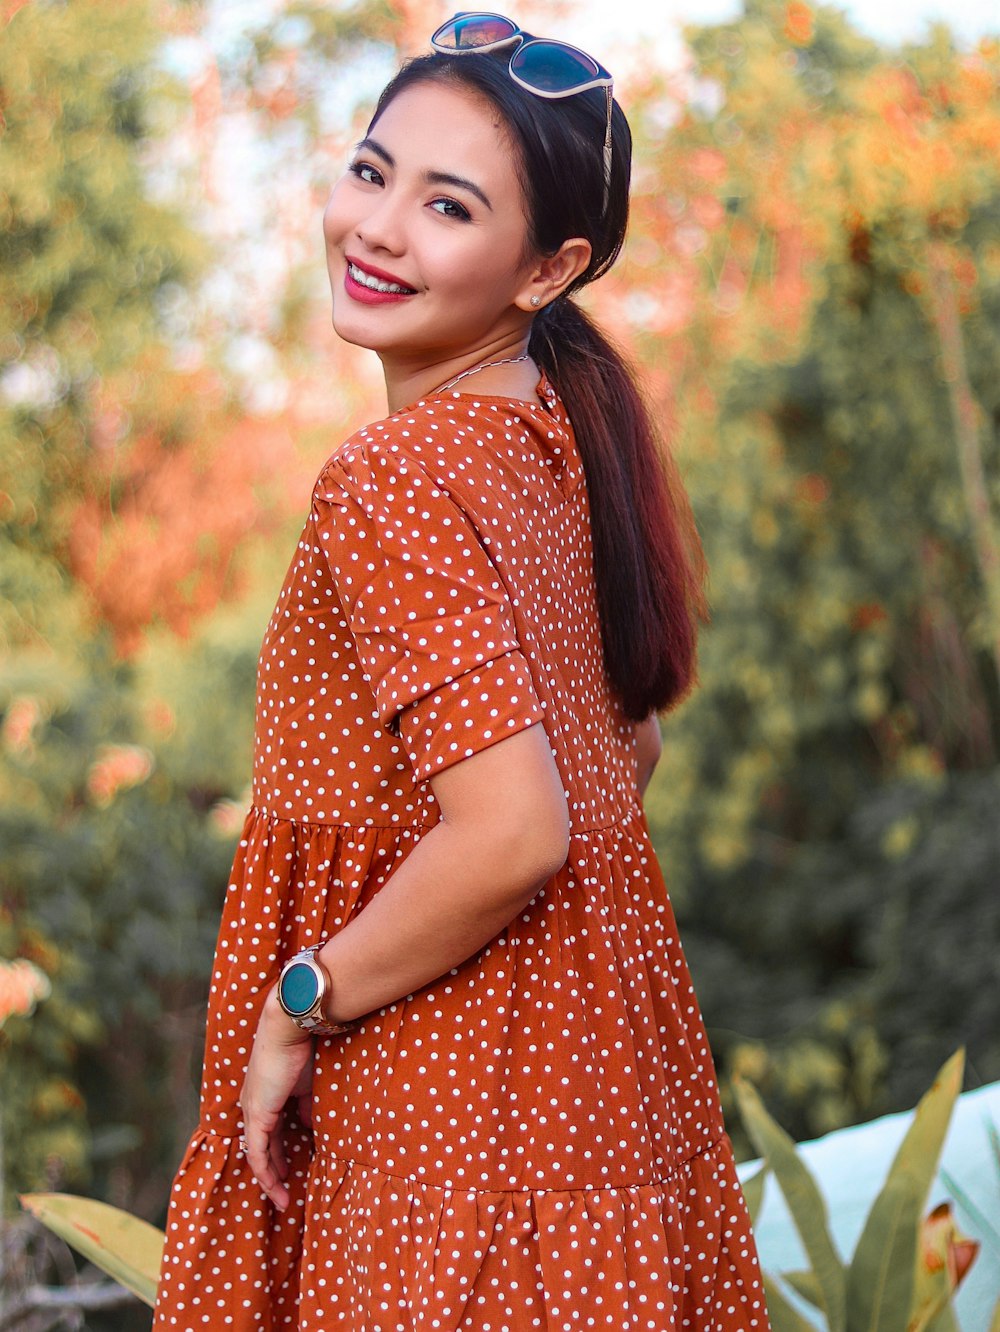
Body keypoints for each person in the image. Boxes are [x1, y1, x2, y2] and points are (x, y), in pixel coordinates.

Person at [152, 13, 770, 1330]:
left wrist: (303, 997)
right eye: (372, 173)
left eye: (447, 206)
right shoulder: (551, 434)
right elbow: (625, 752)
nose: (377, 229)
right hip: (596, 1110)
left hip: (447, 1135)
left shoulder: (394, 475)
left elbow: (513, 831)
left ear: (547, 268)